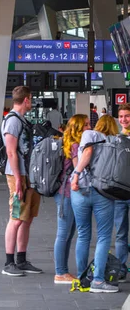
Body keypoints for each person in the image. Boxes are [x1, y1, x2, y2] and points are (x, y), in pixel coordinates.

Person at [69, 115, 119, 292]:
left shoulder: (90, 134)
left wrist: (76, 175)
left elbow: (87, 152)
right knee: (104, 236)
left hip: (80, 190)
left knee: (83, 234)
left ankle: (83, 277)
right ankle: (98, 280)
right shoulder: (115, 141)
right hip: (103, 192)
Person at [1, 86, 43, 277]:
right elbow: (10, 152)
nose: (32, 101)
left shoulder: (21, 120)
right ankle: (9, 262)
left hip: (28, 175)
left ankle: (22, 260)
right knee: (16, 218)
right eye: (31, 98)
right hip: (18, 176)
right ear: (26, 99)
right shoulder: (12, 121)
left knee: (27, 218)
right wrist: (18, 179)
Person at [53, 114, 89, 284]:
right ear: (79, 128)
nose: (90, 127)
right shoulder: (75, 145)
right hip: (66, 194)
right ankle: (60, 272)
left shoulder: (67, 142)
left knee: (67, 233)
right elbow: (77, 170)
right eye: (87, 125)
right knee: (64, 233)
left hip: (64, 193)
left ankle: (63, 271)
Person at [113, 103, 130, 281]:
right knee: (121, 233)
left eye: (127, 116)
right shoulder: (116, 138)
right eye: (122, 116)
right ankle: (121, 268)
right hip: (119, 194)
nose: (124, 119)